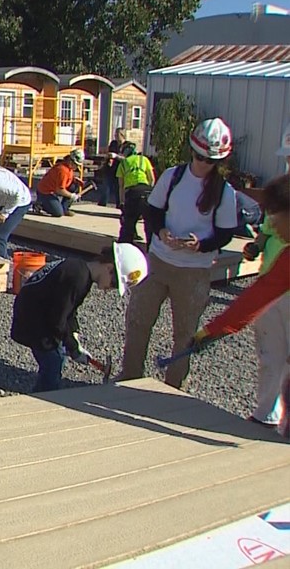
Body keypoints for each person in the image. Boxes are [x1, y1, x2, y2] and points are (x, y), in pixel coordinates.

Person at [120, 117, 239, 389]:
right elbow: (153, 211)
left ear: (218, 162)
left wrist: (200, 244)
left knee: (184, 333)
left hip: (194, 271)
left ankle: (172, 388)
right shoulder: (173, 176)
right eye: (198, 157)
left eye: (208, 160)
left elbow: (225, 234)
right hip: (160, 261)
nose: (202, 164)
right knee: (138, 320)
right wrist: (160, 232)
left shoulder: (225, 193)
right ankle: (129, 378)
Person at [11, 243, 148, 392]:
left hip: (37, 315)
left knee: (57, 357)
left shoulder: (79, 270)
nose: (110, 289)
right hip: (34, 322)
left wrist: (73, 335)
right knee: (53, 362)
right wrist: (72, 347)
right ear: (108, 268)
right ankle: (43, 398)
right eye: (114, 284)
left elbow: (69, 310)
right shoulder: (77, 278)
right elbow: (58, 320)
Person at [238, 168, 290, 427]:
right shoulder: (282, 194)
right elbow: (268, 229)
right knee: (271, 356)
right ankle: (267, 414)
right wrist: (256, 246)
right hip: (270, 286)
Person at [115, 140, 156, 243]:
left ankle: (125, 246)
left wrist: (122, 202)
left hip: (132, 192)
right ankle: (151, 249)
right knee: (150, 224)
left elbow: (121, 186)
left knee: (128, 224)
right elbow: (152, 179)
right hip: (147, 191)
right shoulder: (144, 159)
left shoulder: (123, 163)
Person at [35, 149, 86, 217]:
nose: (77, 167)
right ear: (71, 161)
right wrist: (71, 196)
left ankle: (65, 209)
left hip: (54, 190)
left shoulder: (68, 167)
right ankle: (40, 205)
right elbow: (59, 190)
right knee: (58, 213)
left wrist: (75, 180)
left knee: (73, 185)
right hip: (45, 192)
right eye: (76, 165)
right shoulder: (63, 170)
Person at [98, 128, 126, 207]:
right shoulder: (113, 143)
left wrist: (116, 156)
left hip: (120, 169)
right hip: (110, 168)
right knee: (106, 186)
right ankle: (102, 203)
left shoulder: (128, 146)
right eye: (115, 134)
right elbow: (110, 153)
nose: (115, 136)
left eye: (117, 135)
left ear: (122, 135)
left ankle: (119, 204)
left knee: (118, 188)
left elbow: (126, 158)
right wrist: (109, 159)